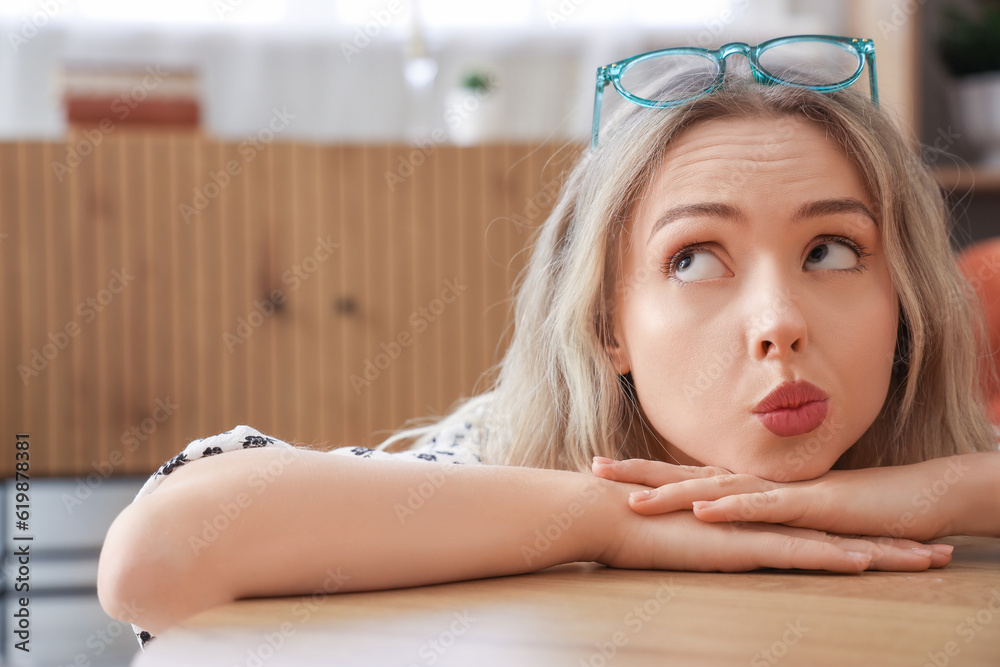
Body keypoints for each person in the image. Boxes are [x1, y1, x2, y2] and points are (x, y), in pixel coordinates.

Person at [97, 35, 1000, 650]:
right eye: (693, 259)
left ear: (907, 299)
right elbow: (155, 558)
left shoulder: (941, 452)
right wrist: (614, 523)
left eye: (831, 250)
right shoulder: (504, 457)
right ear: (610, 328)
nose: (779, 322)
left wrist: (940, 489)